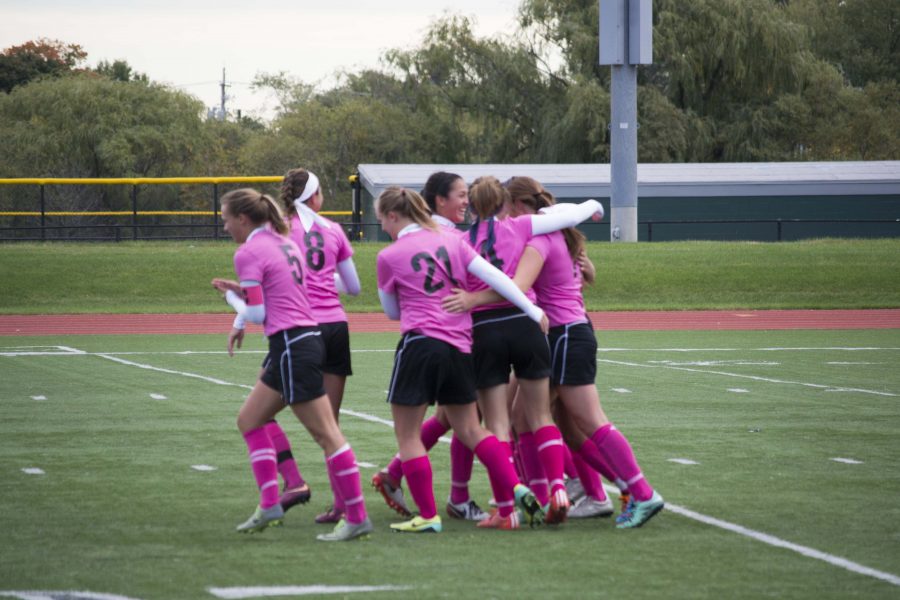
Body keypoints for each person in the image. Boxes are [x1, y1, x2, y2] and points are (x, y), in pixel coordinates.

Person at [448, 176, 664, 528]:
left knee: (588, 420)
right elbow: (578, 252)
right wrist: (593, 208)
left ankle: (635, 491)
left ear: (516, 205)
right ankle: (559, 493)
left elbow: (516, 287)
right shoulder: (547, 231)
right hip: (561, 331)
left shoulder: (534, 239)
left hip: (562, 332)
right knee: (532, 418)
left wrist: (473, 298)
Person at [375, 186, 546, 532]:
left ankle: (427, 515)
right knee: (470, 428)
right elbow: (497, 277)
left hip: (420, 344)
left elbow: (392, 312)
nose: (382, 228)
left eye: (382, 221)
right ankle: (515, 485)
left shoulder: (389, 255)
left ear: (394, 216)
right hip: (460, 345)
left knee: (408, 436)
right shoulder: (453, 240)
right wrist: (531, 308)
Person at [211, 188, 372, 541]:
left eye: (225, 219)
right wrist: (242, 289)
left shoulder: (249, 251)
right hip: (303, 339)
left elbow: (257, 312)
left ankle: (357, 515)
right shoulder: (282, 240)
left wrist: (231, 298)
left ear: (242, 218)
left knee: (327, 435)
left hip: (290, 344)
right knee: (250, 419)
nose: (224, 226)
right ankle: (270, 503)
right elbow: (278, 291)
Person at [372, 171, 487, 523]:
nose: (466, 202)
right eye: (461, 195)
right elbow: (493, 281)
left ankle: (398, 476)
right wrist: (527, 305)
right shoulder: (446, 236)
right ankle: (464, 497)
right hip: (455, 334)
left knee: (450, 419)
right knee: (470, 420)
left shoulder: (440, 234)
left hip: (444, 335)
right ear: (439, 200)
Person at [279, 167, 361, 524]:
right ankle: (343, 505)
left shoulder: (279, 229)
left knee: (259, 412)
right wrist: (325, 280)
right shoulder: (334, 230)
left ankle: (291, 481)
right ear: (314, 196)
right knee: (333, 425)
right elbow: (354, 287)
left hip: (301, 327)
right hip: (336, 327)